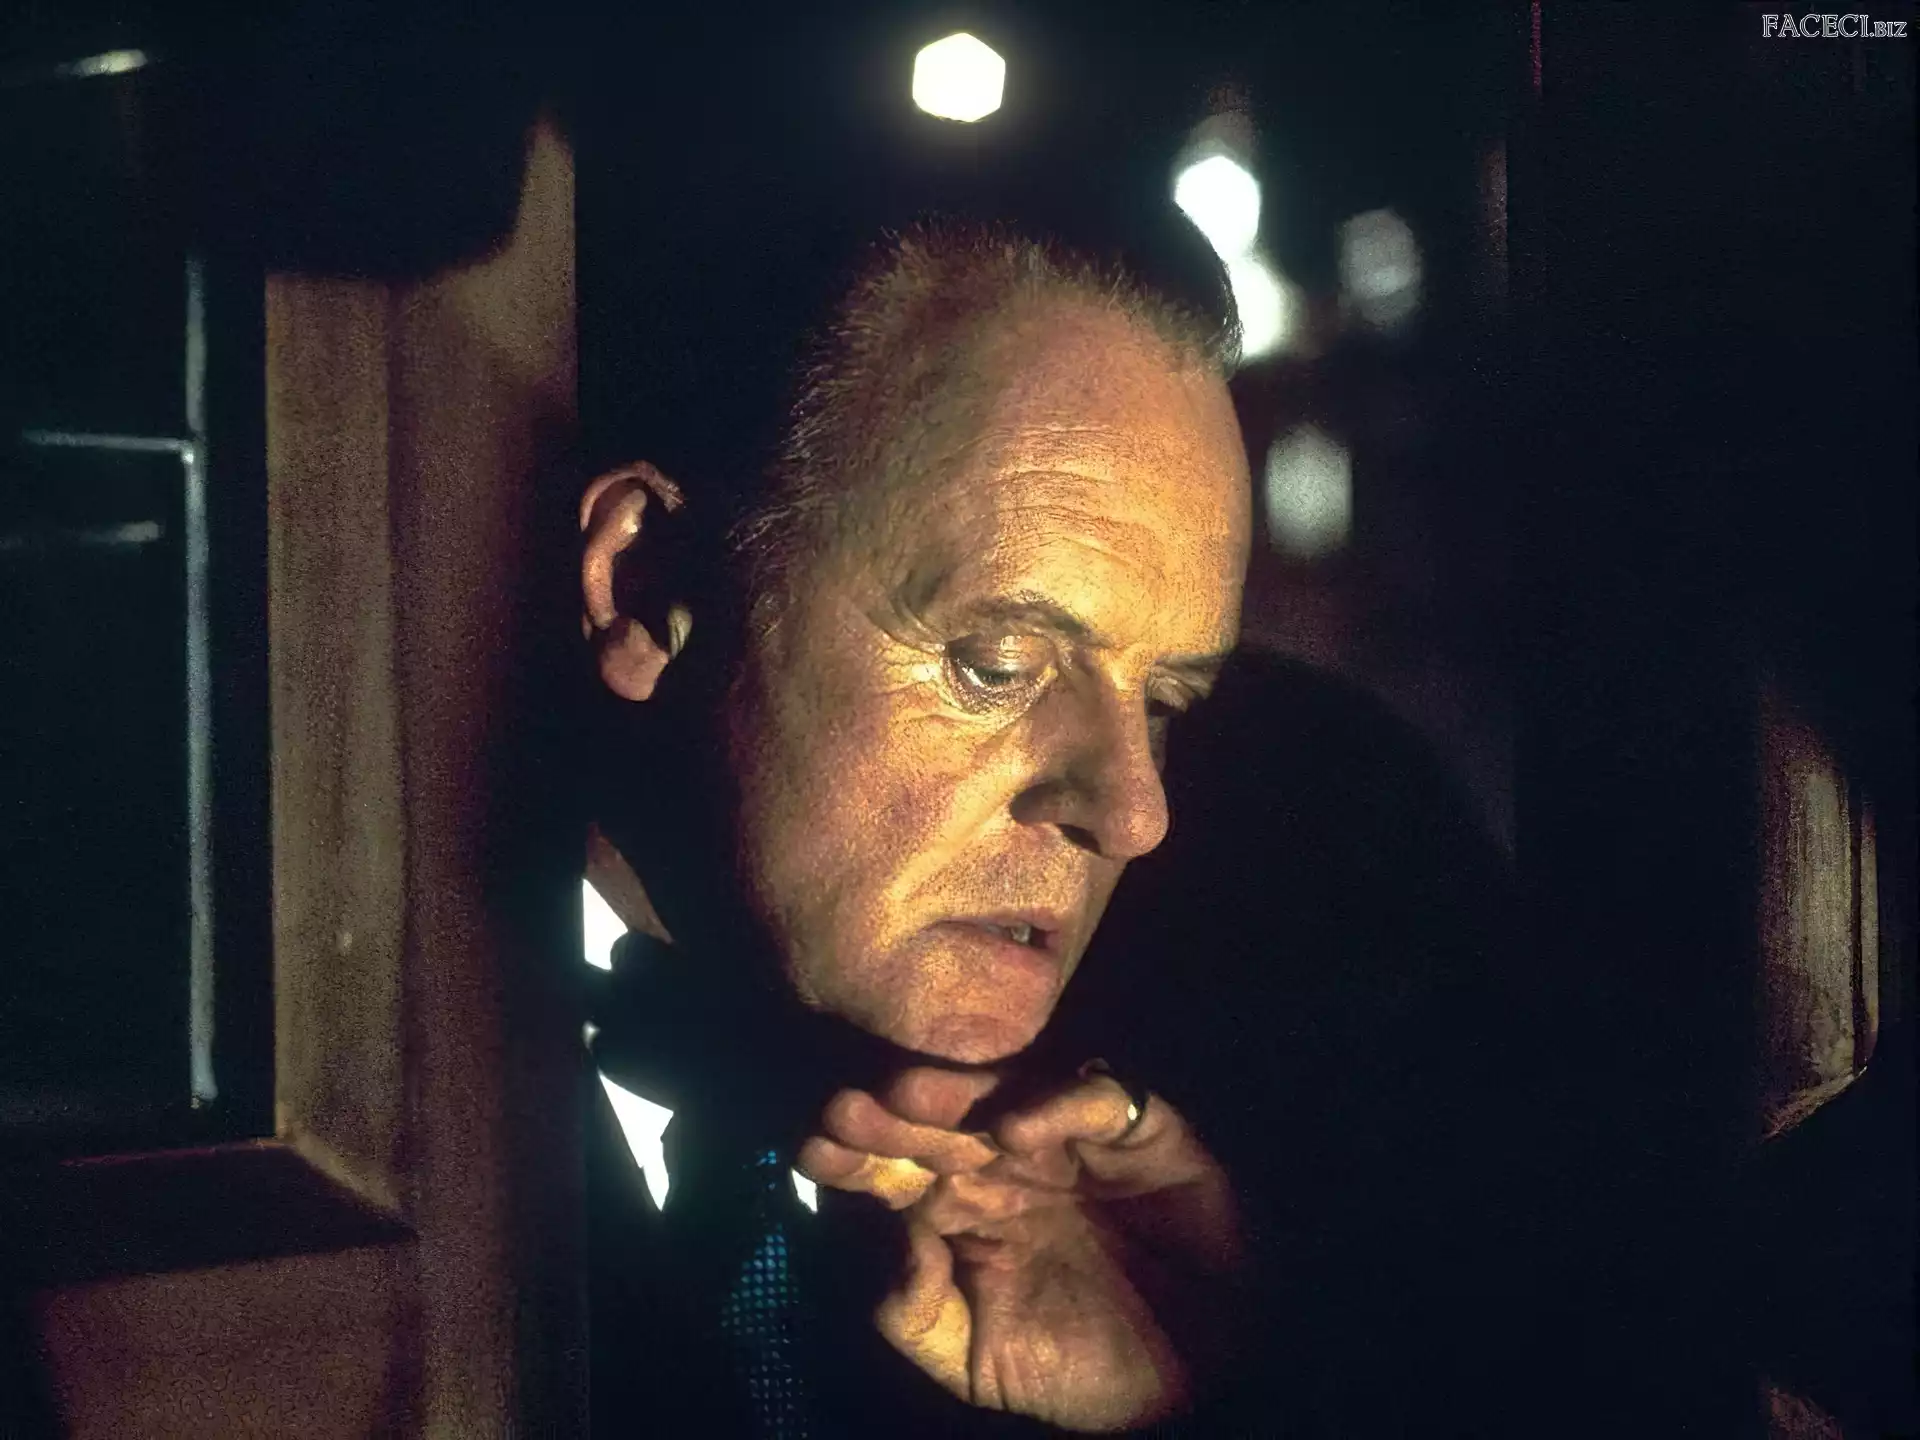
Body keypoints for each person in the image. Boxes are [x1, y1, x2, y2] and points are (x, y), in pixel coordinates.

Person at [576, 218, 1530, 1436]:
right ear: (649, 580)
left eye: (1168, 705)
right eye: (998, 666)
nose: (1133, 814)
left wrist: (1192, 1400)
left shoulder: (1286, 1039)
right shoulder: (382, 1100)